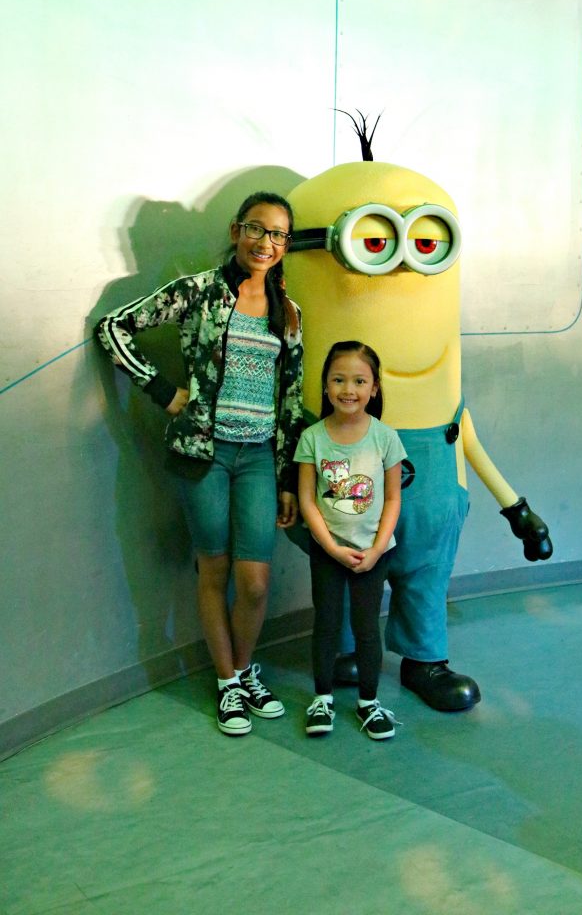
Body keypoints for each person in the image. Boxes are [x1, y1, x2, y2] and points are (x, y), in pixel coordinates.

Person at [95, 191, 304, 737]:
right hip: (203, 457)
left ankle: (241, 667)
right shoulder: (198, 292)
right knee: (213, 570)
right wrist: (163, 391)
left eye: (278, 234)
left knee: (255, 582)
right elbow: (112, 330)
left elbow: (291, 398)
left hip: (258, 458)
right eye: (257, 229)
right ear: (237, 231)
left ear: (286, 244)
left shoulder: (291, 313)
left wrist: (285, 478)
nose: (266, 242)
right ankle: (228, 682)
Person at [295, 341, 406, 740]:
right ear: (325, 386)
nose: (349, 389)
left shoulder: (386, 438)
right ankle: (321, 698)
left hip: (374, 554)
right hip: (327, 551)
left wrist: (377, 549)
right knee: (325, 622)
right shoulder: (311, 438)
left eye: (359, 381)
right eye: (339, 379)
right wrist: (329, 546)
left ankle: (369, 703)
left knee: (366, 628)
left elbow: (394, 496)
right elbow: (307, 498)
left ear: (374, 388)